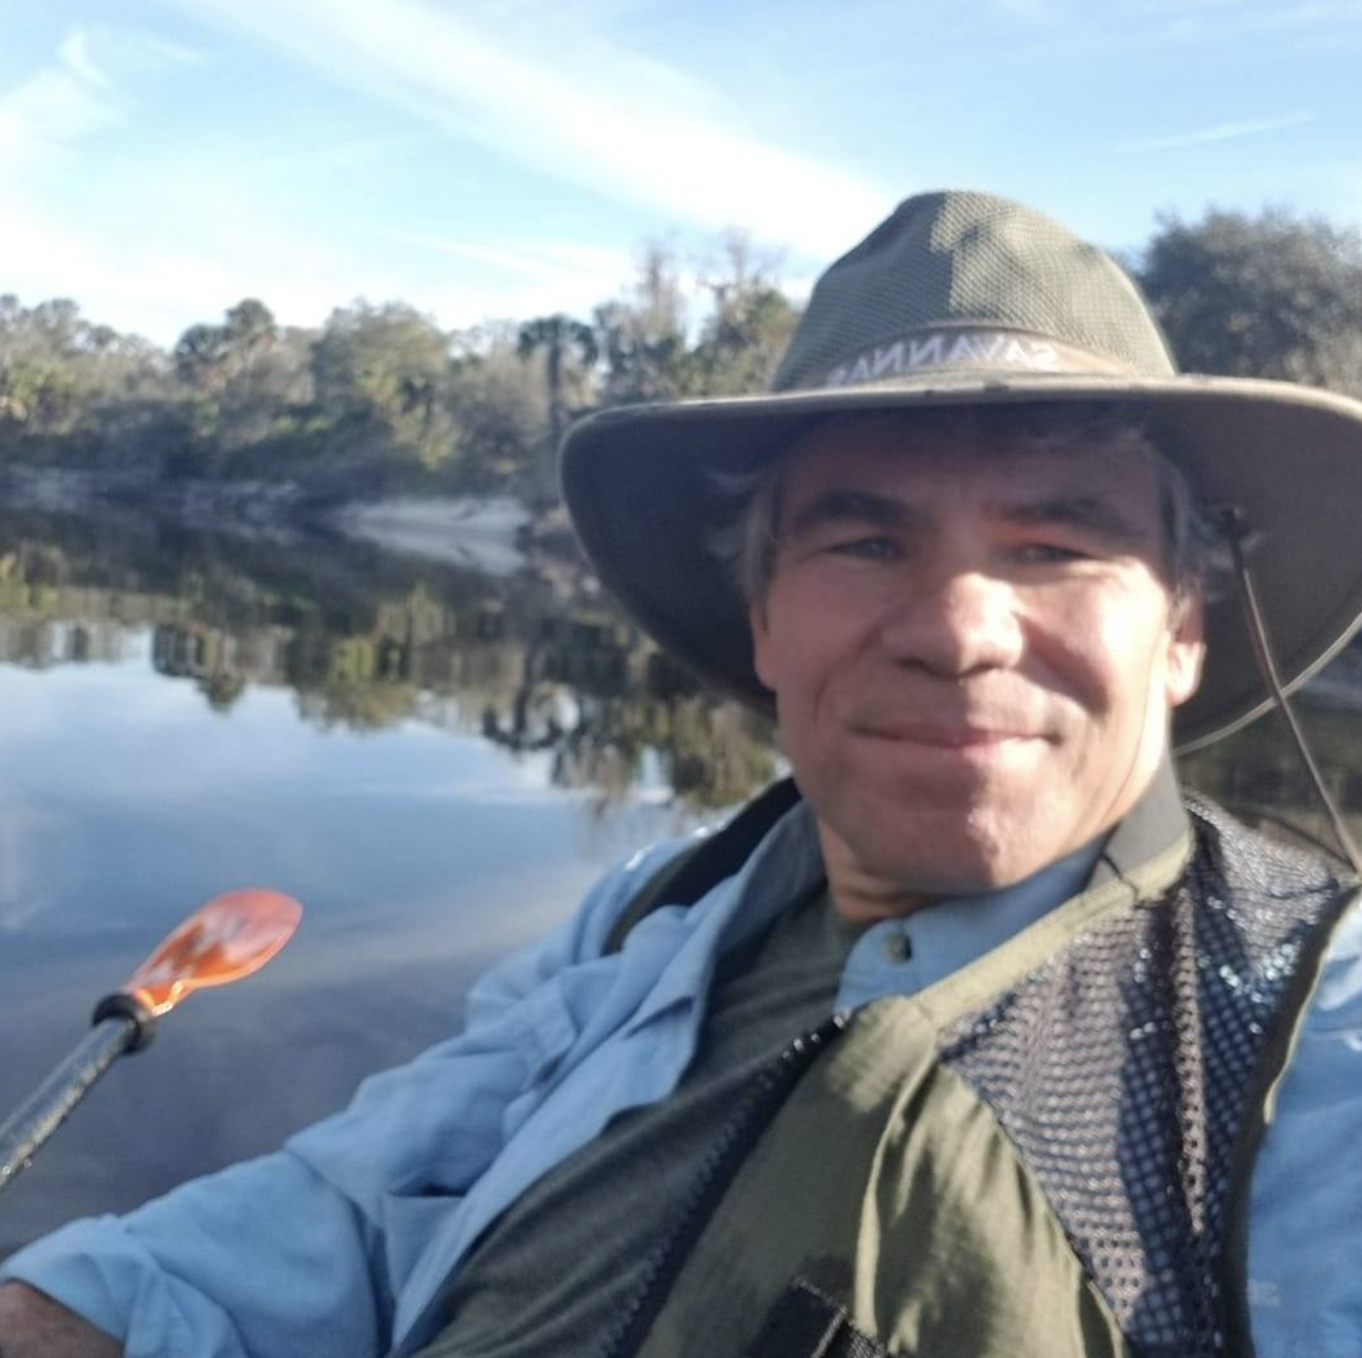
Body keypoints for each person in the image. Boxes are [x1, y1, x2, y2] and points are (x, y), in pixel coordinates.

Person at [3, 189, 1362, 1358]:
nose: (958, 629)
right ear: (762, 616)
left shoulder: (1308, 1034)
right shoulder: (659, 913)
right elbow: (349, 1209)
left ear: (1182, 620)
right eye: (865, 542)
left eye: (1052, 545)